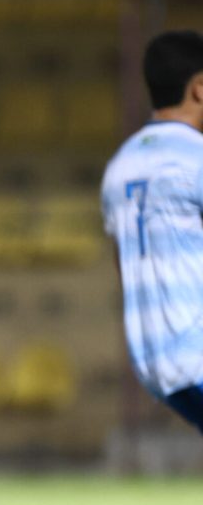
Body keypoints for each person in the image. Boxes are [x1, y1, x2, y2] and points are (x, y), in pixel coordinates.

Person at [101, 29, 203, 433]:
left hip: (153, 357)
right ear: (200, 89)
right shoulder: (194, 160)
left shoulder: (120, 167)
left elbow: (122, 265)